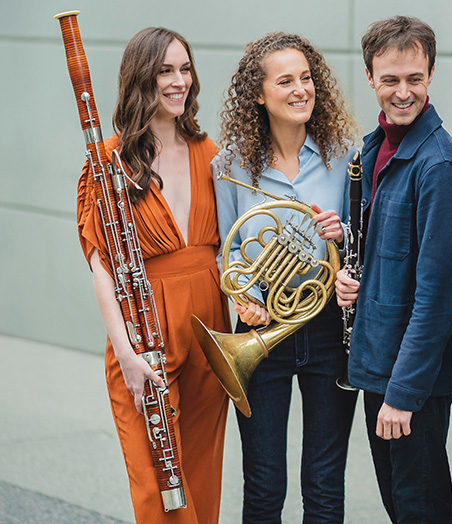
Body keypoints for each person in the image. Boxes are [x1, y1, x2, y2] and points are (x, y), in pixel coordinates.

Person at [77, 27, 229, 523]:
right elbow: (101, 265)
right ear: (141, 78)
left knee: (202, 476)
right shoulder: (108, 163)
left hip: (211, 326)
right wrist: (125, 353)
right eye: (165, 69)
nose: (179, 80)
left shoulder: (212, 153)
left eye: (185, 68)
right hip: (142, 334)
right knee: (158, 492)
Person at [214, 32, 359, 523]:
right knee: (263, 484)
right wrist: (245, 299)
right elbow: (229, 249)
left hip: (326, 330)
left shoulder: (346, 156)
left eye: (306, 78)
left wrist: (340, 236)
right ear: (258, 94)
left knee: (323, 483)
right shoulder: (231, 165)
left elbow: (361, 243)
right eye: (285, 81)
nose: (301, 89)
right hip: (260, 329)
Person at [334, 16, 452, 524]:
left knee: (420, 507)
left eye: (414, 78)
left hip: (409, 379)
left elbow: (439, 295)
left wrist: (403, 394)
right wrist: (354, 279)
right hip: (378, 363)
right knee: (400, 504)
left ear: (431, 73)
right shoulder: (373, 149)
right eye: (390, 79)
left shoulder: (438, 165)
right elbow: (385, 257)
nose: (403, 91)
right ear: (369, 76)